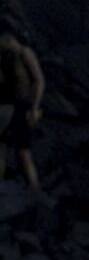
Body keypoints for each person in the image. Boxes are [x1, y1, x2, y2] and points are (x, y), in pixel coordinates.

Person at [0, 26, 43, 196]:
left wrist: (35, 107)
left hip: (26, 107)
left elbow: (39, 80)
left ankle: (35, 190)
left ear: (8, 39)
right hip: (13, 107)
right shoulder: (8, 58)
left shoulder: (25, 53)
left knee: (23, 151)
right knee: (2, 145)